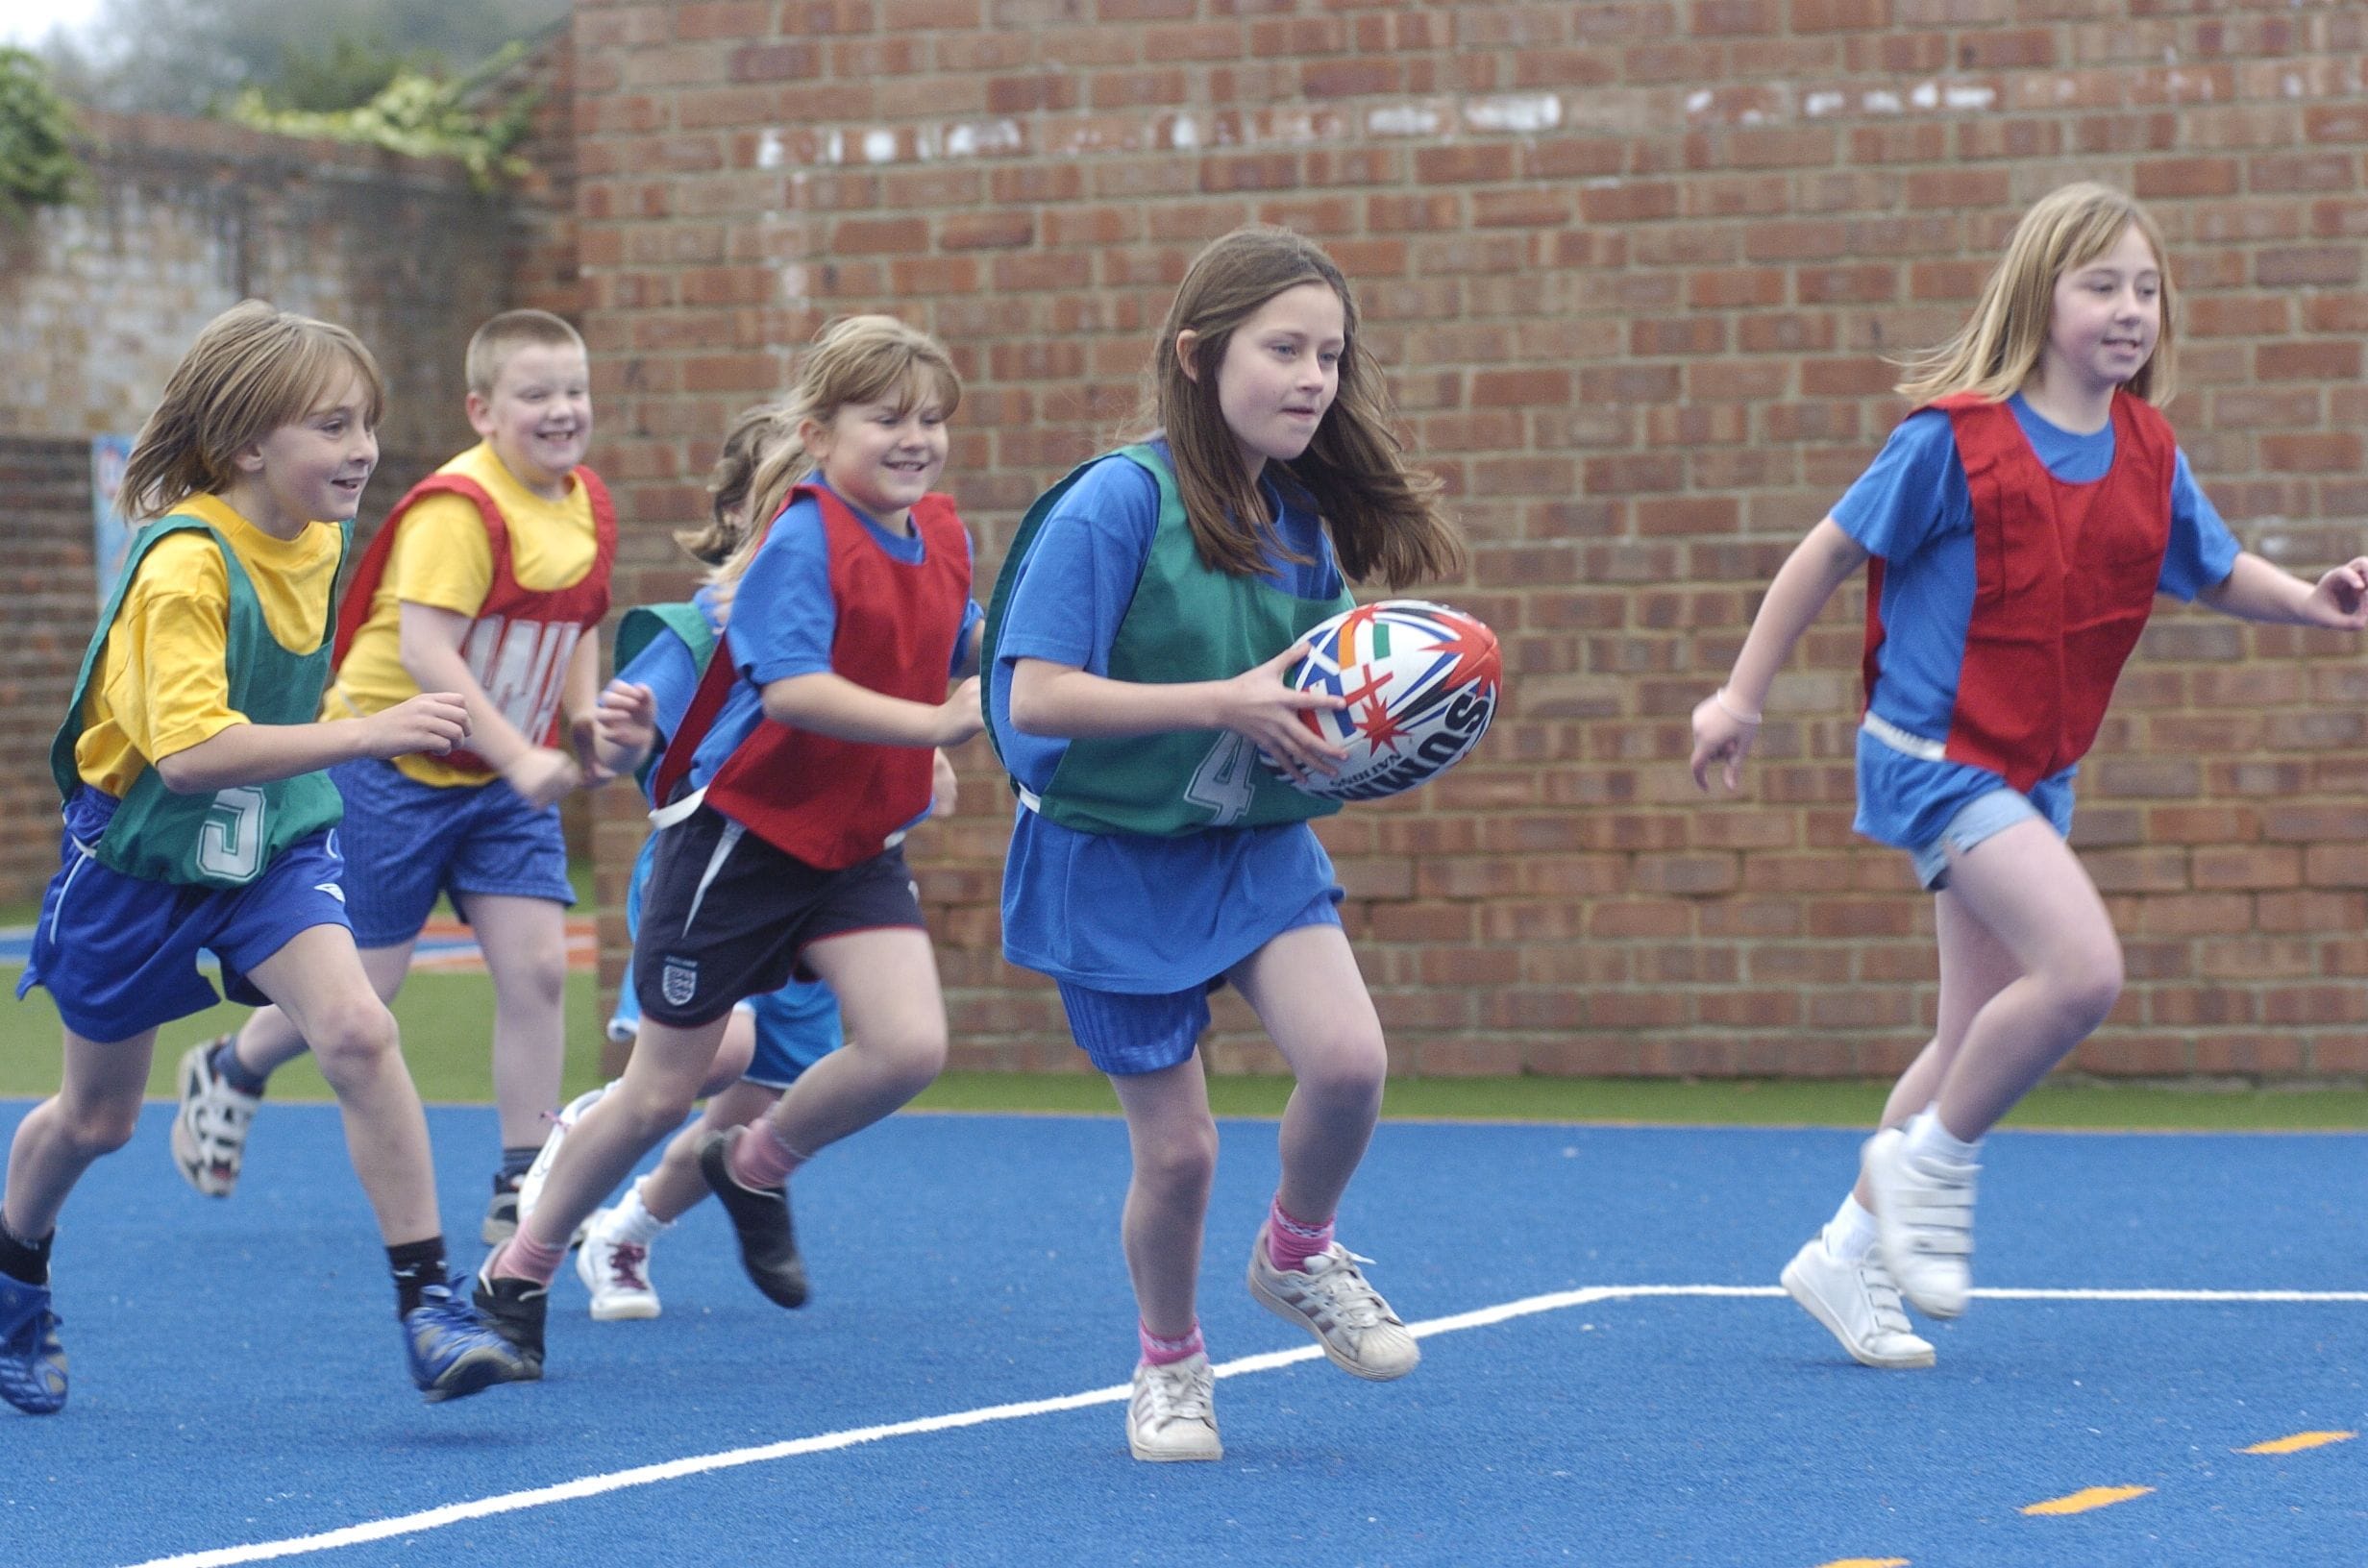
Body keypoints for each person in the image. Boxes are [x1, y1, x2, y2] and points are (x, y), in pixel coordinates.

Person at [1688, 183, 2368, 1370]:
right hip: (1933, 762)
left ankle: (1845, 1255)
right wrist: (1739, 695)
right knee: (2081, 971)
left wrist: (2312, 605)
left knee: (1969, 1041)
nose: (2128, 309)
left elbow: (2211, 571)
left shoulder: (2148, 453)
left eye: (2146, 288)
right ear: (2039, 296)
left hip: (2030, 771)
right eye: (2100, 284)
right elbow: (1825, 553)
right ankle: (1931, 1172)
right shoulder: (1954, 441)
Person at [982, 225, 1467, 1461]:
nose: (1314, 378)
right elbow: (1032, 696)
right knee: (1183, 1152)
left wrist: (1346, 734)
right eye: (1285, 349)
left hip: (1248, 842)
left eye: (1331, 356)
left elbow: (1311, 690)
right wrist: (1227, 701)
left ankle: (1298, 1254)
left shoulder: (1299, 516)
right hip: (1110, 857)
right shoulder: (1115, 504)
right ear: (1199, 357)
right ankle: (1169, 1361)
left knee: (1351, 1062)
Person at [0, 301, 536, 1413]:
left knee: (356, 1026)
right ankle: (15, 1271)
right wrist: (369, 731)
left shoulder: (325, 538)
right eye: (332, 428)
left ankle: (430, 1305)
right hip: (140, 860)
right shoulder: (185, 570)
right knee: (96, 1120)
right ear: (249, 445)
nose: (363, 451)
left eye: (367, 425)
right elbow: (191, 754)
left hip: (270, 846)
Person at [470, 315, 983, 1378]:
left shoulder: (940, 535)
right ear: (819, 431)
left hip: (851, 849)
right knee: (661, 1089)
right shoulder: (801, 538)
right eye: (886, 417)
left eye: (931, 418)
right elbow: (793, 689)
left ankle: (751, 1161)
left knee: (907, 1049)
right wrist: (933, 725)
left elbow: (975, 648)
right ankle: (518, 1267)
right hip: (743, 844)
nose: (915, 436)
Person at [173, 308, 618, 1244]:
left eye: (573, 391)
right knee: (365, 987)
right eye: (535, 394)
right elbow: (427, 653)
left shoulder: (584, 503)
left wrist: (579, 720)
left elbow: (576, 619)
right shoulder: (463, 509)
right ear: (483, 410)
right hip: (391, 761)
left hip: (492, 773)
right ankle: (233, 1067)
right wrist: (522, 753)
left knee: (538, 969)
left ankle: (522, 1177)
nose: (561, 410)